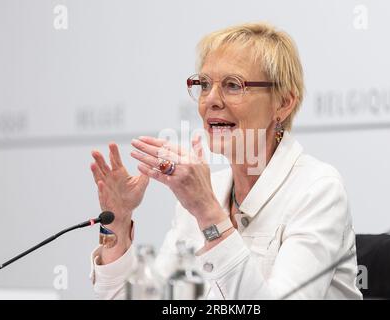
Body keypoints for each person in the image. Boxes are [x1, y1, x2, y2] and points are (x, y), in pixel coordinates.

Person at [89, 22, 362, 299]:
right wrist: (117, 226)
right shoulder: (202, 195)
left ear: (283, 103)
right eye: (204, 85)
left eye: (233, 85)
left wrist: (207, 212)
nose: (210, 100)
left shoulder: (317, 190)